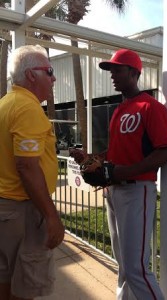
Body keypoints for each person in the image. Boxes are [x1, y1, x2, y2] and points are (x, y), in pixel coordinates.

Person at [70, 48, 167, 300]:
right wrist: (91, 158)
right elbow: (115, 151)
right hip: (114, 191)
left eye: (117, 69)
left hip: (137, 190)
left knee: (136, 268)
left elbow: (166, 151)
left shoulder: (151, 107)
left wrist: (122, 171)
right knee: (124, 265)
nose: (112, 75)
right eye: (111, 70)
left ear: (134, 72)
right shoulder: (119, 110)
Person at [0, 45, 65, 300]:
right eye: (49, 71)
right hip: (23, 212)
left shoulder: (6, 103)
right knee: (25, 286)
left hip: (6, 211)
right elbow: (27, 166)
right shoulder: (27, 108)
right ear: (30, 76)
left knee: (5, 281)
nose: (54, 78)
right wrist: (51, 216)